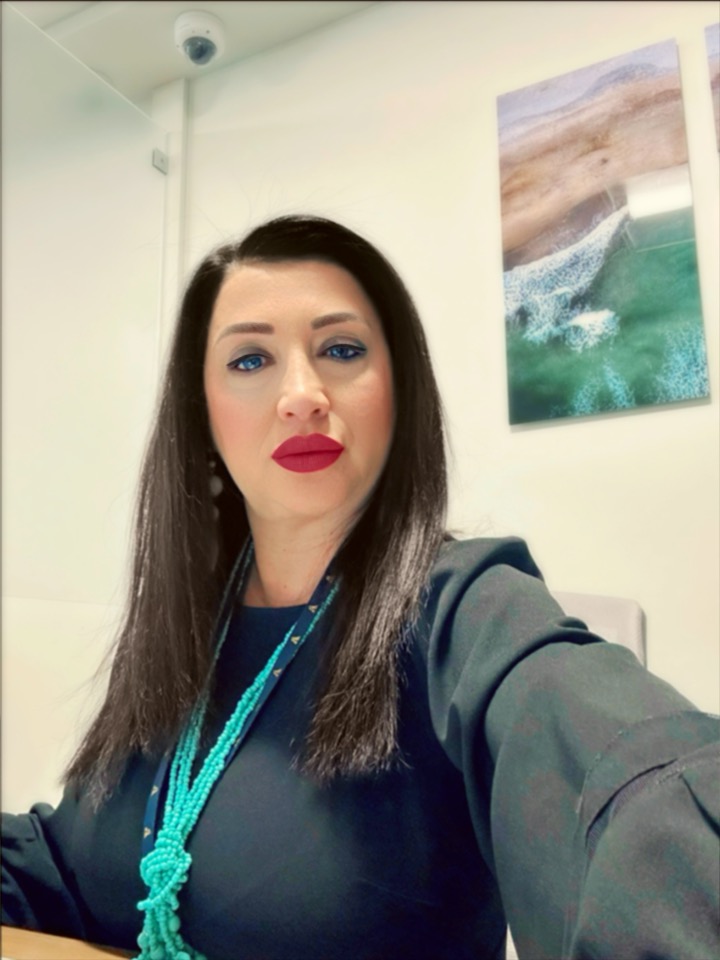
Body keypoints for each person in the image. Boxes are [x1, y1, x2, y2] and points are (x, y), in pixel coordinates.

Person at [2, 215, 718, 960]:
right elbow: (64, 865)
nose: (302, 394)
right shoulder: (186, 628)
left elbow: (631, 779)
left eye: (341, 350)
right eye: (250, 359)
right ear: (201, 415)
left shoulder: (464, 607)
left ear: (397, 395)